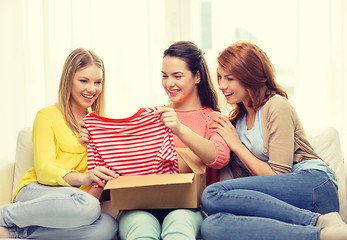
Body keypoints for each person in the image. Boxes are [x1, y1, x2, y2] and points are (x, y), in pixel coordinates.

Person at [78, 41, 231, 239]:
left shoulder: (214, 119)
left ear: (197, 76)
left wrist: (179, 129)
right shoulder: (152, 116)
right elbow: (123, 159)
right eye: (164, 76)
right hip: (139, 206)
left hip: (188, 207)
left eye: (177, 76)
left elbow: (219, 158)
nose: (169, 83)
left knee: (178, 228)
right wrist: (91, 141)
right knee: (140, 230)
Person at [200, 40, 347, 240]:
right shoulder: (237, 121)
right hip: (285, 205)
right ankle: (322, 235)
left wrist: (236, 145)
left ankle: (320, 221)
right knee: (211, 226)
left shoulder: (276, 106)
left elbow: (279, 173)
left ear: (249, 77)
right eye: (219, 77)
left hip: (315, 187)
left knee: (212, 195)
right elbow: (248, 187)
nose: (222, 85)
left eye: (230, 78)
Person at [0, 48, 118, 239]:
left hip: (77, 202)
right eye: (84, 80)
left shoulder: (103, 123)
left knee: (108, 226)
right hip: (37, 190)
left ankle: (21, 233)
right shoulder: (46, 116)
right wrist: (85, 179)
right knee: (87, 205)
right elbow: (45, 171)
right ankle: (5, 215)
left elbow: (103, 178)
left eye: (98, 82)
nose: (92, 89)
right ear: (68, 80)